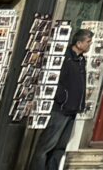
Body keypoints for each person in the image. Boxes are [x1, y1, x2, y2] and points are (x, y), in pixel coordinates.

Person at [35, 33, 94, 170]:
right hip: (60, 109)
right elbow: (54, 81)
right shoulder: (65, 58)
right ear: (79, 44)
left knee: (60, 146)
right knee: (46, 145)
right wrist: (63, 98)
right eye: (88, 41)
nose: (90, 44)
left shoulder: (81, 60)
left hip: (72, 110)